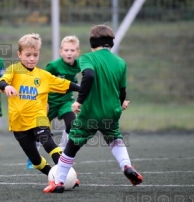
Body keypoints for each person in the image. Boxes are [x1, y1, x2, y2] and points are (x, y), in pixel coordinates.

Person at [43, 25, 143, 193]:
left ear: (92, 43)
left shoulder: (87, 58)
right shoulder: (120, 62)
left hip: (90, 113)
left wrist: (79, 101)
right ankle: (126, 166)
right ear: (111, 44)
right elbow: (122, 89)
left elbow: (88, 76)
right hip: (112, 112)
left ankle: (59, 181)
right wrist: (121, 102)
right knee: (114, 138)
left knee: (72, 145)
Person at [0, 33, 80, 177]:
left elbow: (64, 84)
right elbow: (1, 81)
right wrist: (7, 86)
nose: (31, 58)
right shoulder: (14, 70)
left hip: (39, 117)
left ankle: (65, 175)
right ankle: (52, 175)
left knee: (49, 144)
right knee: (35, 160)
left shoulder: (43, 75)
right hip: (18, 123)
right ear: (19, 54)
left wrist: (84, 89)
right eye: (28, 55)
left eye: (35, 55)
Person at [25, 35, 81, 169]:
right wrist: (42, 101)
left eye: (72, 50)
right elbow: (41, 81)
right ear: (61, 51)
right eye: (66, 50)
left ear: (77, 52)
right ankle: (32, 158)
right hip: (49, 102)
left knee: (72, 124)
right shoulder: (53, 66)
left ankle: (63, 153)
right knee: (39, 129)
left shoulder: (80, 65)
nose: (69, 53)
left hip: (66, 102)